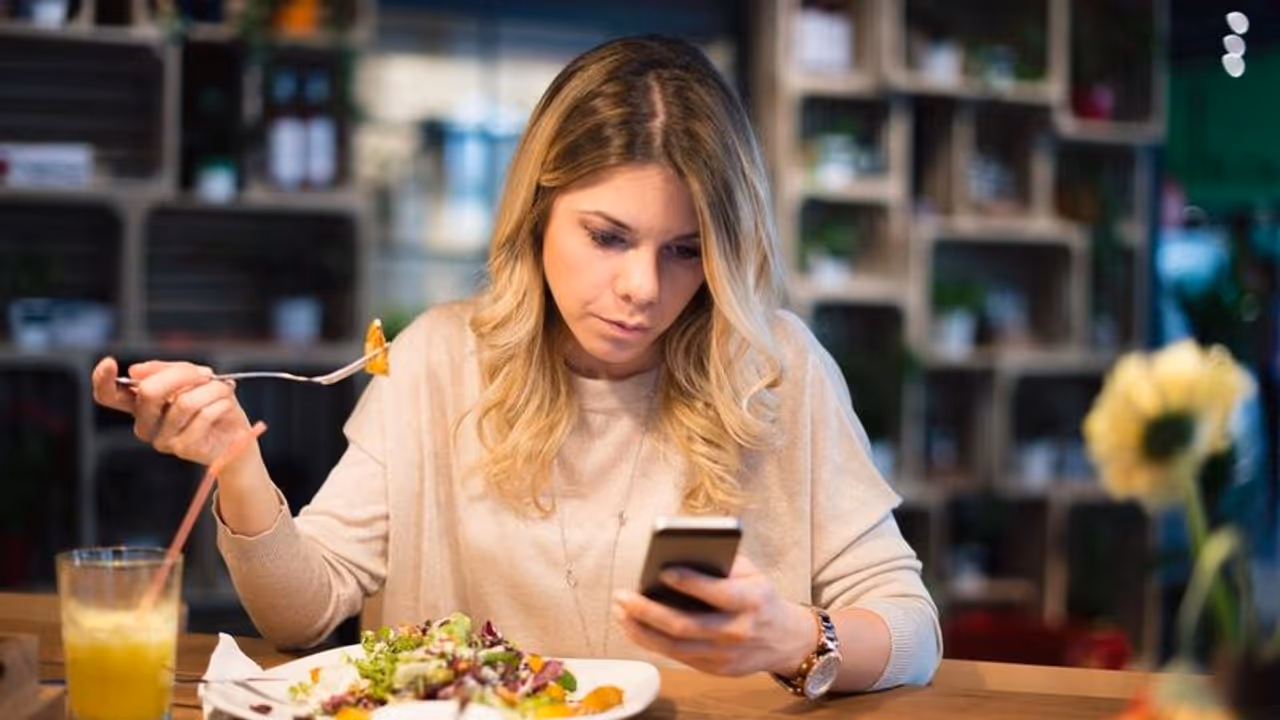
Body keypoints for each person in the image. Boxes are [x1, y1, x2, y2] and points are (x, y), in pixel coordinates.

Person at [91, 35, 941, 696]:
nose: (642, 289)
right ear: (537, 214)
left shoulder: (775, 366)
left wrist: (797, 640)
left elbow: (912, 630)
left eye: (686, 251)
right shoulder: (434, 362)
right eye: (607, 237)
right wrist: (236, 461)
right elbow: (303, 613)